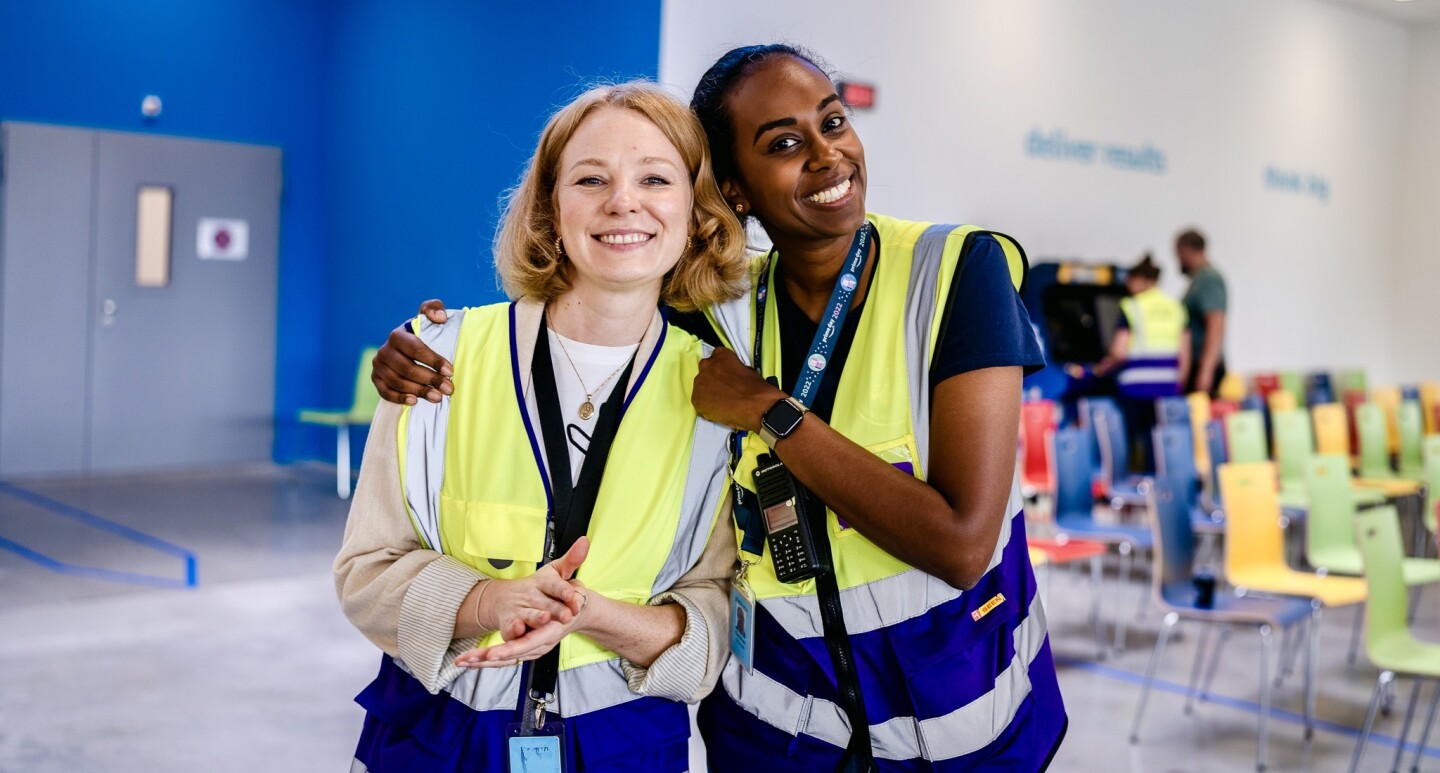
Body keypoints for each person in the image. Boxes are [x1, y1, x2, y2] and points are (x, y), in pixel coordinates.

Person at [372, 45, 1066, 771]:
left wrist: (773, 412)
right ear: (734, 189)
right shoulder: (716, 313)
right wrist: (433, 343)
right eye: (786, 143)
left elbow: (961, 544)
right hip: (775, 733)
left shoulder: (953, 273)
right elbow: (597, 278)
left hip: (960, 728)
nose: (829, 155)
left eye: (834, 122)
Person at [334, 82, 747, 772]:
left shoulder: (719, 391)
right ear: (551, 207)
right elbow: (365, 576)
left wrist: (594, 615)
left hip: (624, 746)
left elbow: (717, 616)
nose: (623, 201)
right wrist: (491, 600)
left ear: (695, 211)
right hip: (438, 739)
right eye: (591, 178)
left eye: (655, 177)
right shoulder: (439, 357)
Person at [1092, 253, 1189, 471]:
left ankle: (1137, 487)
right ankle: (1162, 488)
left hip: (1136, 387)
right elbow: (1185, 352)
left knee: (1136, 442)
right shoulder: (1175, 307)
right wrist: (1177, 383)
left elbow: (1119, 351)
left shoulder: (1132, 306)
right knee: (1162, 442)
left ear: (1141, 280)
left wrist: (1102, 367)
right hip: (1168, 386)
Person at [1174, 228, 1227, 397]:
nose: (1177, 259)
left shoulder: (1208, 279)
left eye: (1178, 253)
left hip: (1202, 365)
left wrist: (1206, 370)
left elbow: (1216, 324)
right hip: (1195, 364)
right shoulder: (1198, 279)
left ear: (1186, 250)